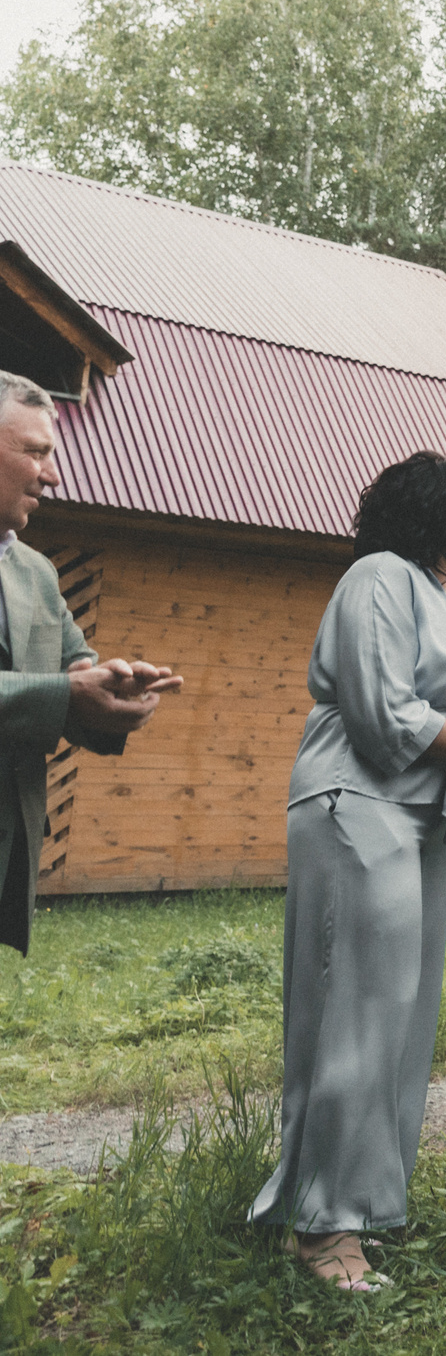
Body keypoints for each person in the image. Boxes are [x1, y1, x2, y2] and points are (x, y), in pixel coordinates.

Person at [249, 452, 446, 1291]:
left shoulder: (440, 588)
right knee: (353, 1005)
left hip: (418, 813)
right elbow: (384, 712)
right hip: (357, 802)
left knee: (400, 1010)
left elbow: (443, 701)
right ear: (437, 510)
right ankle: (321, 1227)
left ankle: (364, 1199)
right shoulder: (378, 577)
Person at [0, 372, 178, 958]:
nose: (52, 474)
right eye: (36, 453)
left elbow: (75, 672)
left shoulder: (37, 574)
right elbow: (58, 692)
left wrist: (117, 693)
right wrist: (67, 693)